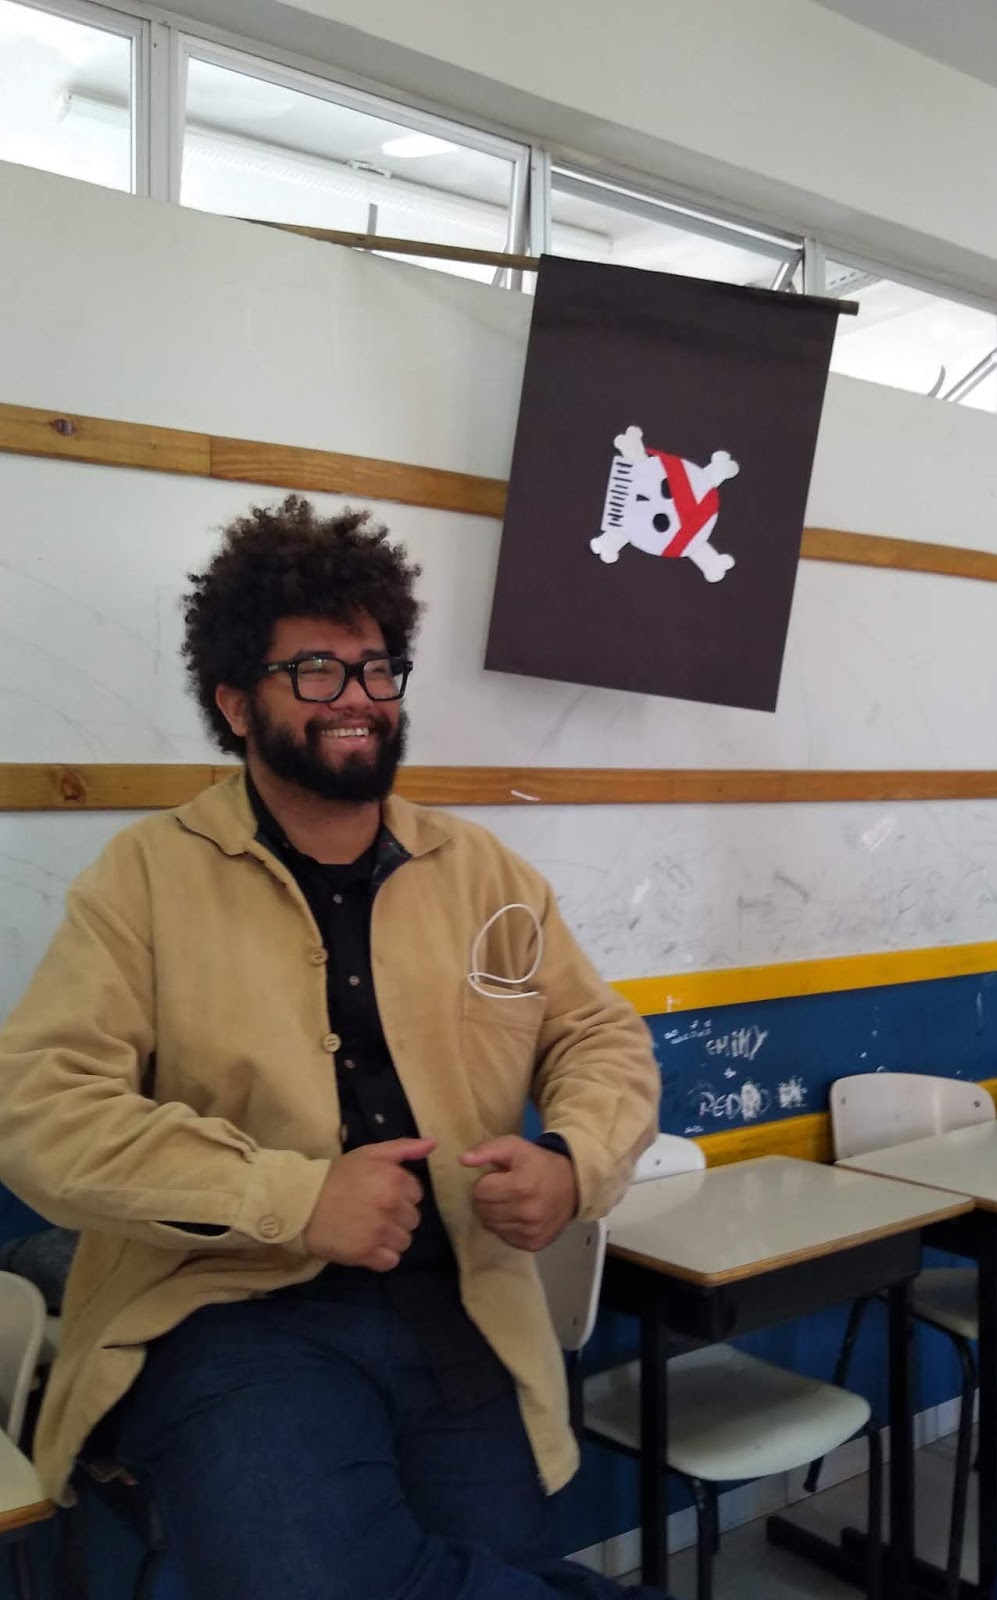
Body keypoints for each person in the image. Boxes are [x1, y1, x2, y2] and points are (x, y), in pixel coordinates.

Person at [0, 496, 669, 1599]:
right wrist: (292, 1196)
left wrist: (574, 1162)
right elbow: (41, 1109)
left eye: (376, 667)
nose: (357, 696)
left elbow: (598, 1036)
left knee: (505, 1562)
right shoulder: (143, 879)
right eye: (314, 670)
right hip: (231, 1310)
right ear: (234, 702)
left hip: (460, 1303)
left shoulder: (485, 873)